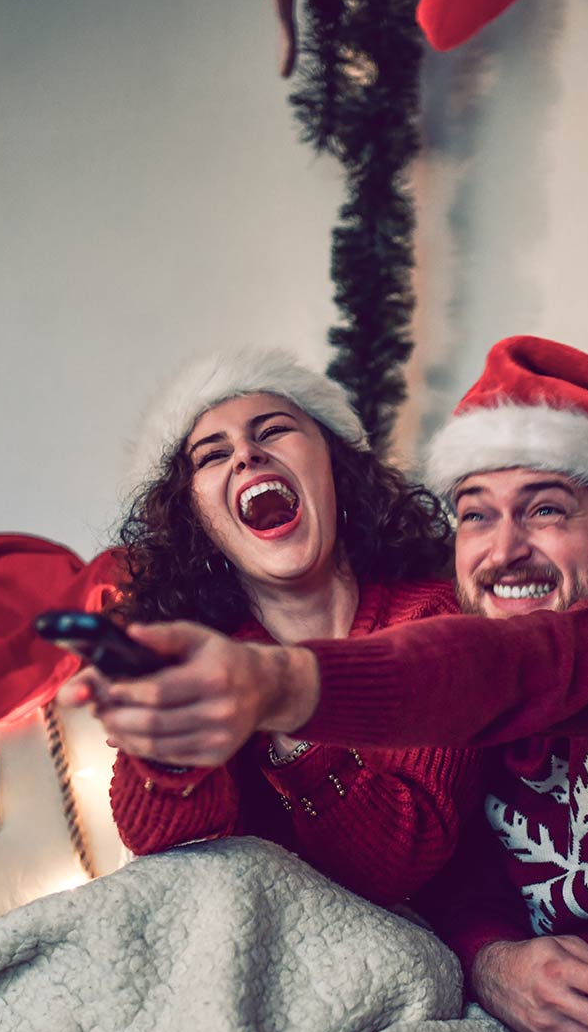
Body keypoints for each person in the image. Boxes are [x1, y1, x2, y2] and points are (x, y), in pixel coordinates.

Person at [88, 336, 588, 1032]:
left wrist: (285, 686)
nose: (504, 547)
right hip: (582, 1022)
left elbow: (528, 667)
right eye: (477, 513)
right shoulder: (478, 677)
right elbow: (461, 874)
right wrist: (493, 961)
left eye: (546, 508)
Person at [64, 348, 478, 907]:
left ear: (334, 466)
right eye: (212, 456)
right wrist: (166, 742)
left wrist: (281, 708)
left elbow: (399, 865)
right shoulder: (205, 651)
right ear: (197, 519)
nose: (246, 456)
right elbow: (162, 850)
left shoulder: (433, 618)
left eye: (274, 430)